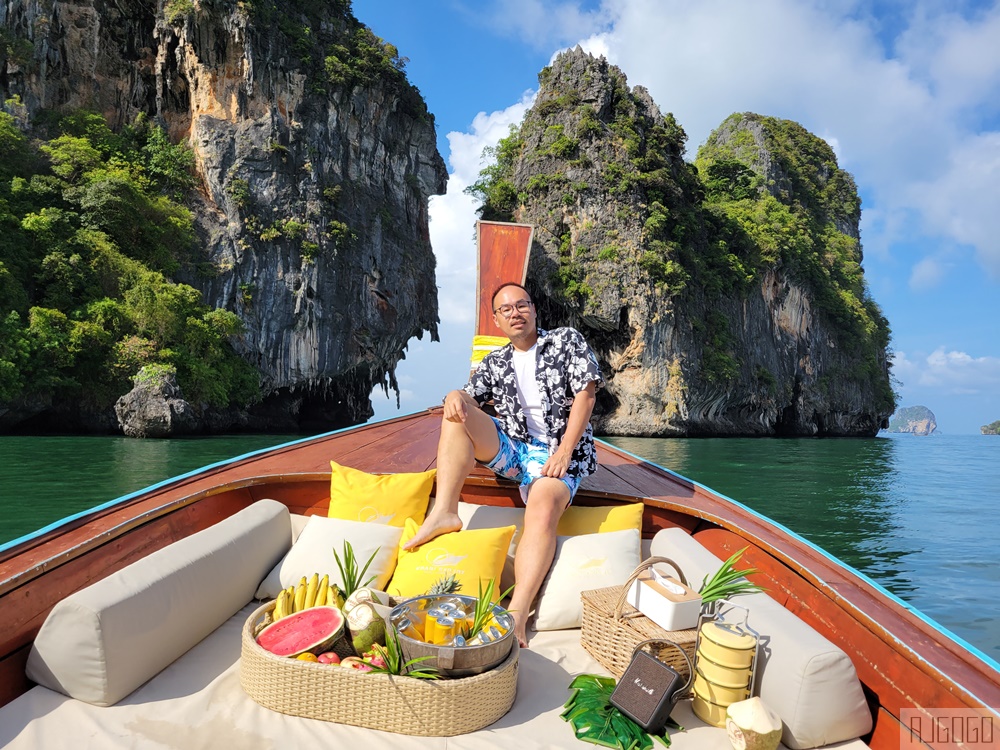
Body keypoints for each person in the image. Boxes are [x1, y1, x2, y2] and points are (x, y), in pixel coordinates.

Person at [403, 281, 605, 646]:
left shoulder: (564, 341)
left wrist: (562, 453)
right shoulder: (495, 362)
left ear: (533, 309)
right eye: (506, 309)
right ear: (497, 319)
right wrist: (454, 394)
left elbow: (585, 395)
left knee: (543, 504)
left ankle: (518, 612)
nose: (516, 313)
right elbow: (471, 395)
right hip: (517, 451)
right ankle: (445, 512)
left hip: (560, 453)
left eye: (522, 305)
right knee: (457, 411)